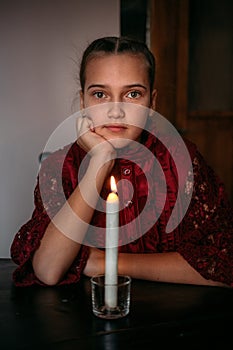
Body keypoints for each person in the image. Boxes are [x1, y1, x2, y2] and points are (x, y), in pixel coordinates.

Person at [11, 36, 233, 288]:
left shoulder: (181, 162)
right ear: (83, 102)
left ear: (152, 102)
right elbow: (48, 270)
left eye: (133, 93)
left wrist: (106, 263)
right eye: (100, 94)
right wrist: (100, 161)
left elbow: (223, 268)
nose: (115, 110)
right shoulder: (60, 167)